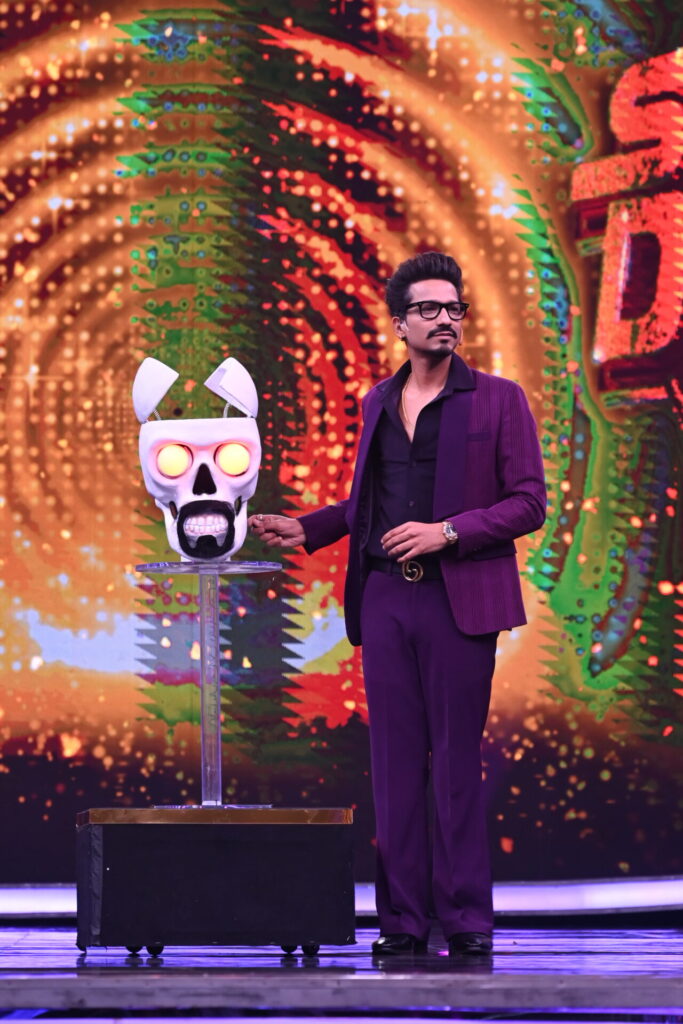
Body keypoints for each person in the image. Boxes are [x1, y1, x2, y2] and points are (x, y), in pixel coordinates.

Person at [249, 251, 546, 957]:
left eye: (454, 308)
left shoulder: (498, 399)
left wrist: (448, 532)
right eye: (429, 309)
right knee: (393, 765)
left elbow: (528, 503)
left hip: (456, 598)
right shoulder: (378, 401)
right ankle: (402, 921)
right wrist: (310, 528)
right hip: (384, 596)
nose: (445, 319)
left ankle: (466, 918)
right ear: (399, 323)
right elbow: (370, 502)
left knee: (454, 763)